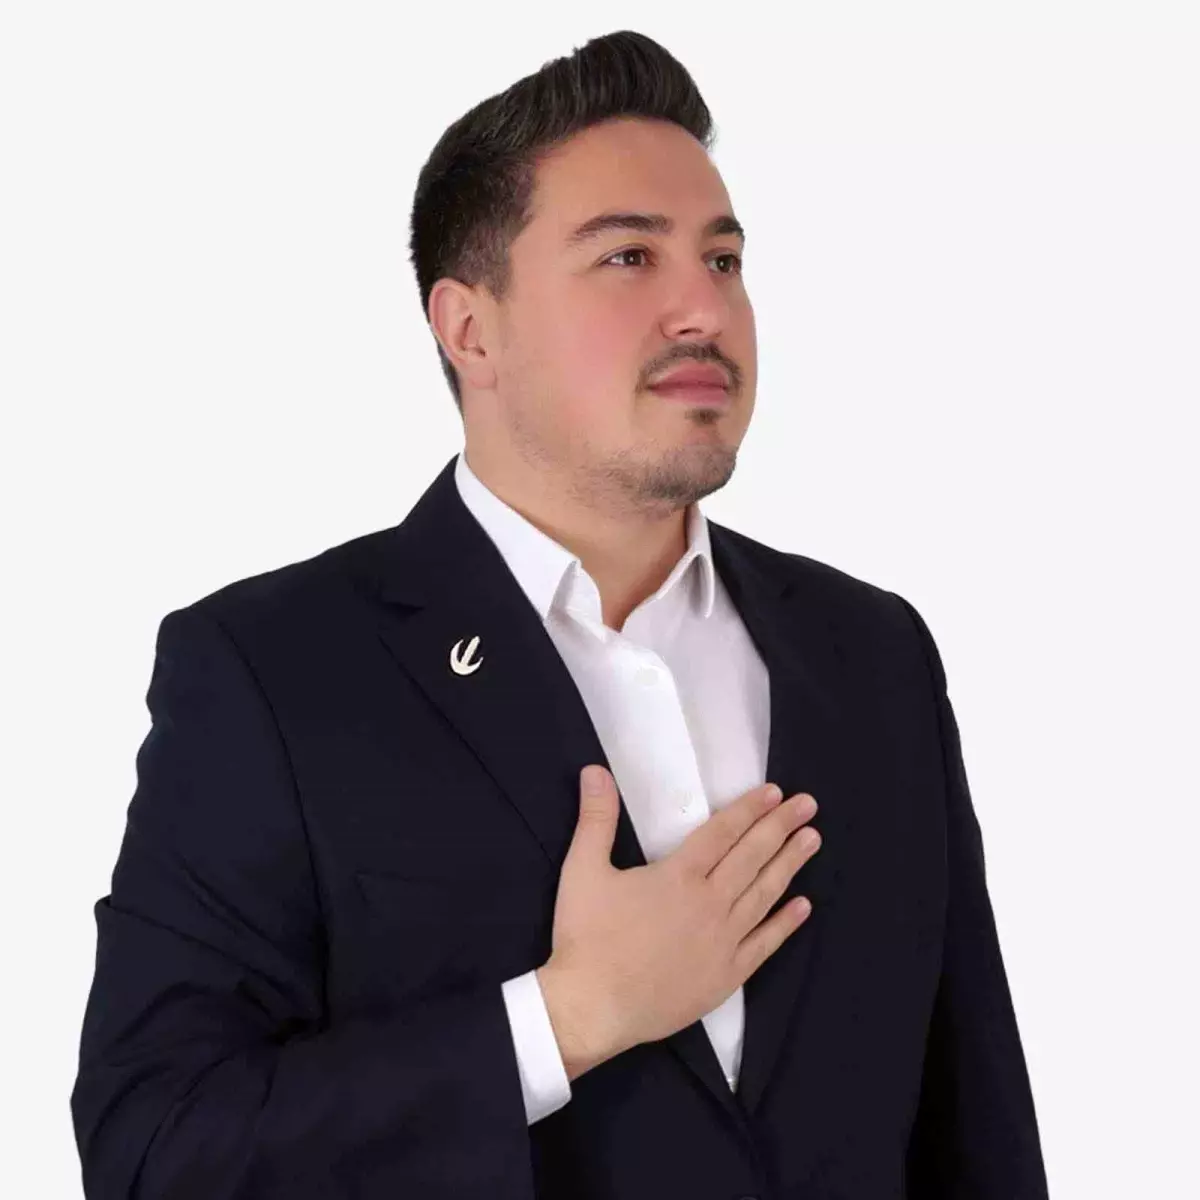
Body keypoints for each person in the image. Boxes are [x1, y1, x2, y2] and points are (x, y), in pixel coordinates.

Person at [70, 29, 1049, 1200]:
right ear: (470, 330)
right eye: (629, 256)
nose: (703, 306)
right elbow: (156, 1151)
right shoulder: (273, 671)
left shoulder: (873, 654)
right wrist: (564, 1018)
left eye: (724, 259)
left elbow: (975, 1133)